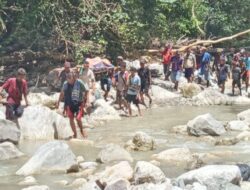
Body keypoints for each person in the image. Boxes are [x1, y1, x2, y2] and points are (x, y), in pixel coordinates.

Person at [57, 72, 89, 138]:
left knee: (78, 118)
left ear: (74, 78)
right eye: (68, 80)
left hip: (78, 103)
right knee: (71, 119)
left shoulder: (79, 82)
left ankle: (81, 130)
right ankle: (75, 134)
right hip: (69, 103)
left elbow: (86, 90)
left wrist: (87, 100)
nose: (69, 81)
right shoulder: (65, 84)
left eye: (70, 79)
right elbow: (62, 93)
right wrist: (58, 101)